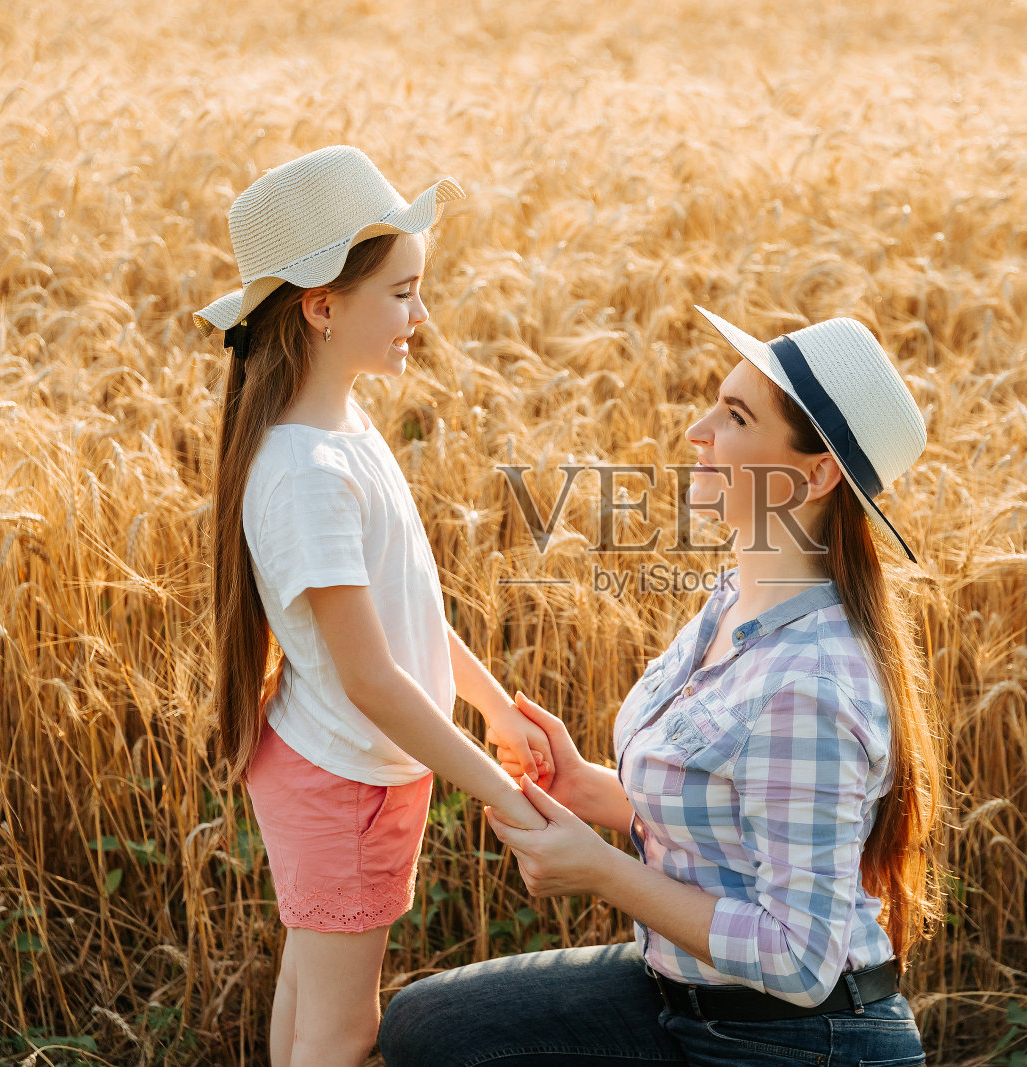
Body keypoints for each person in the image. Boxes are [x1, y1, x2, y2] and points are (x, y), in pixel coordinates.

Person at [380, 307, 947, 1066]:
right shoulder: (735, 600)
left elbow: (800, 960)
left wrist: (602, 871)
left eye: (737, 415)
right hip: (685, 1000)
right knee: (430, 1025)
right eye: (717, 400)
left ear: (812, 475)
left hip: (795, 1041)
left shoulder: (811, 682)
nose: (697, 430)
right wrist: (587, 786)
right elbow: (723, 823)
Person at [198, 145, 553, 1067]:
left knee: (310, 993)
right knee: (345, 1029)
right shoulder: (307, 473)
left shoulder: (343, 427)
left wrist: (493, 708)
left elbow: (406, 614)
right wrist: (499, 787)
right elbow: (373, 680)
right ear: (321, 307)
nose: (421, 314)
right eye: (401, 293)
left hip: (342, 772)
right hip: (348, 782)